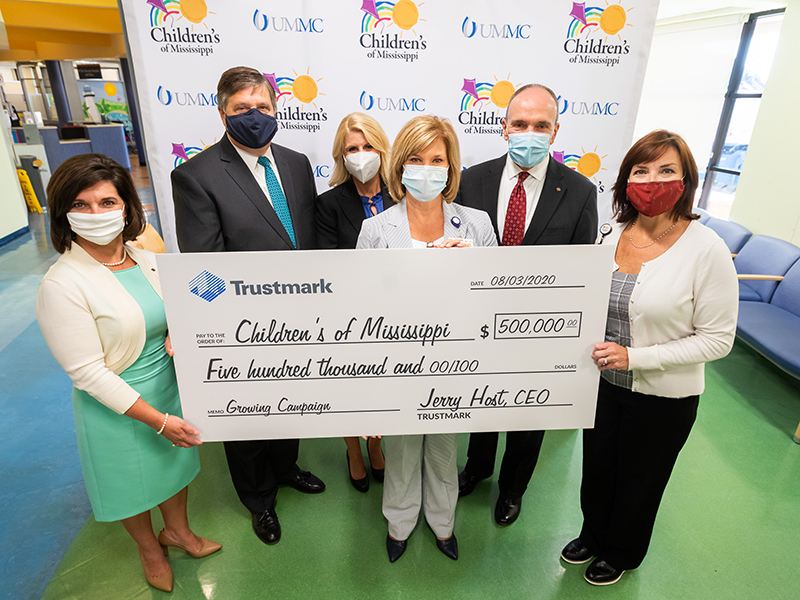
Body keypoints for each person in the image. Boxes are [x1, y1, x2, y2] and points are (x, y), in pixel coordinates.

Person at [559, 130, 738, 585]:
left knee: (640, 480)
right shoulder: (611, 233)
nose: (652, 181)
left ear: (686, 181)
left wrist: (636, 357)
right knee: (598, 468)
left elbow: (717, 340)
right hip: (600, 386)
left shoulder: (706, 250)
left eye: (666, 171)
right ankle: (593, 534)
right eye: (641, 171)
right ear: (625, 180)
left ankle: (621, 552)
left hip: (663, 397)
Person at [37, 154, 221, 593]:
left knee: (175, 469)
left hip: (167, 389)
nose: (96, 214)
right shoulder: (62, 284)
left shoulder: (148, 259)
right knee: (130, 486)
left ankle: (178, 532)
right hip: (118, 406)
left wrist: (184, 326)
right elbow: (87, 374)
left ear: (126, 207)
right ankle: (149, 549)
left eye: (106, 201)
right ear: (63, 213)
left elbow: (206, 296)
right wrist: (158, 421)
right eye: (80, 205)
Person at [171, 66, 325, 546]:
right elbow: (203, 268)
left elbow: (310, 241)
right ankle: (259, 500)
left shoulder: (298, 163)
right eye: (241, 109)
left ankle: (286, 468)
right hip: (242, 326)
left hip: (303, 317)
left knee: (288, 405)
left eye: (262, 108)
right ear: (222, 113)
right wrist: (240, 319)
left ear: (276, 109)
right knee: (247, 414)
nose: (253, 117)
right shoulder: (195, 176)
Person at [455, 83, 599, 527]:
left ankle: (513, 488)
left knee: (530, 411)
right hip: (478, 322)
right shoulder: (470, 180)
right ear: (503, 127)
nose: (529, 132)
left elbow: (582, 273)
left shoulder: (579, 191)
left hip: (541, 331)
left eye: (541, 125)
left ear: (555, 131)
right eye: (520, 123)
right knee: (480, 399)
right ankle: (477, 467)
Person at [356, 115, 498, 562]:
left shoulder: (475, 225)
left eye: (437, 159)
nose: (426, 168)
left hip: (456, 363)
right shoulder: (376, 230)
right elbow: (360, 307)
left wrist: (474, 263)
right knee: (399, 450)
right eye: (416, 158)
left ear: (451, 167)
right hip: (397, 363)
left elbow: (498, 295)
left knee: (443, 446)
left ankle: (443, 524)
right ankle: (399, 523)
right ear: (399, 166)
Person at [316, 112, 394, 492]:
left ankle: (377, 447)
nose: (360, 155)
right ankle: (352, 450)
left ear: (382, 150)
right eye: (352, 149)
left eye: (367, 147)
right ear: (340, 156)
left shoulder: (405, 195)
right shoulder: (329, 203)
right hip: (346, 316)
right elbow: (328, 267)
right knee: (346, 389)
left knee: (381, 387)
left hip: (395, 314)